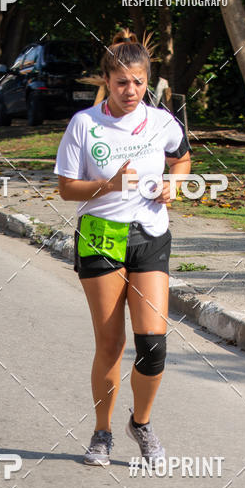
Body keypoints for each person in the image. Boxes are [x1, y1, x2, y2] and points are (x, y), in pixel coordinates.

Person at [55, 29, 191, 466]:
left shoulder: (161, 121)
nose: (130, 91)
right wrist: (107, 185)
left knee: (153, 345)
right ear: (106, 81)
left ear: (146, 80)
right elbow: (65, 189)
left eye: (138, 82)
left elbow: (182, 157)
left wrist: (175, 182)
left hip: (149, 234)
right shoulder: (85, 124)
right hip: (100, 236)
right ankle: (101, 432)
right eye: (121, 82)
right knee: (110, 344)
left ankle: (142, 424)